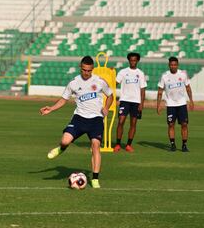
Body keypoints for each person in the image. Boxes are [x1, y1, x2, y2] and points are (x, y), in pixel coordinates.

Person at [40, 56, 113, 189]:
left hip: (96, 119)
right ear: (81, 67)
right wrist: (51, 108)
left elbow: (110, 95)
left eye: (89, 71)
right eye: (84, 70)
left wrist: (106, 107)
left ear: (92, 69)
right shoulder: (73, 83)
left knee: (95, 146)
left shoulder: (100, 81)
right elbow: (63, 99)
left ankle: (95, 179)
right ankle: (61, 148)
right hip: (79, 118)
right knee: (64, 141)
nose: (86, 73)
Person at [156, 56, 194, 152]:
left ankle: (184, 145)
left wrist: (191, 100)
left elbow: (188, 88)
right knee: (171, 124)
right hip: (170, 104)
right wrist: (158, 104)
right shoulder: (164, 76)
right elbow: (160, 91)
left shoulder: (183, 74)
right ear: (169, 65)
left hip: (181, 103)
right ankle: (172, 144)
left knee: (184, 124)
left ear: (177, 65)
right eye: (171, 65)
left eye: (175, 65)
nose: (173, 66)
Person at [114, 52, 147, 152]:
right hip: (124, 100)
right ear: (129, 61)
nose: (133, 62)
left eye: (134, 60)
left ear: (137, 61)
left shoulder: (140, 73)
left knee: (133, 123)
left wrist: (141, 104)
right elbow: (115, 83)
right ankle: (118, 144)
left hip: (136, 102)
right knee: (121, 122)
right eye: (131, 60)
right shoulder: (123, 72)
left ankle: (128, 145)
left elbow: (143, 90)